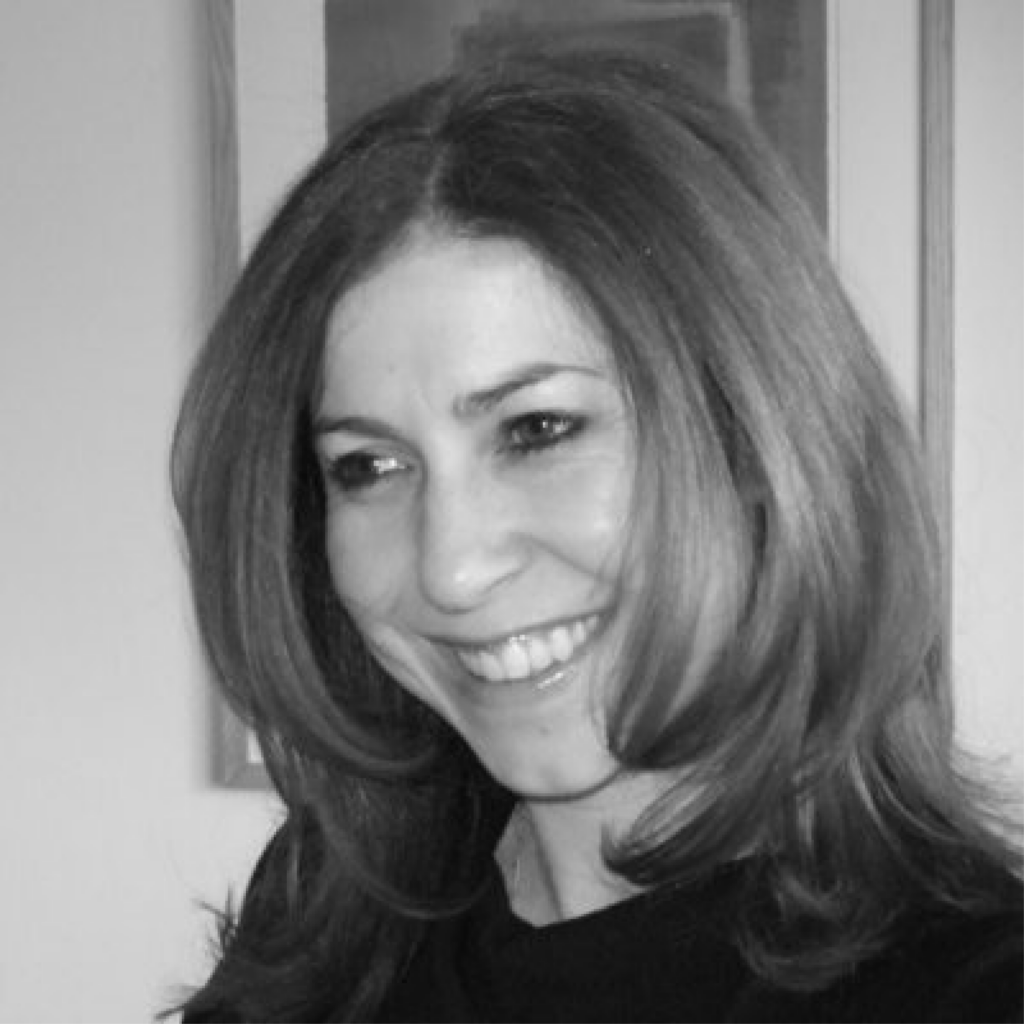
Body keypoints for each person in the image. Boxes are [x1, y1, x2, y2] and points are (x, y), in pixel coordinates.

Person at [171, 47, 1024, 1024]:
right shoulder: (330, 917)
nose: (453, 567)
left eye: (537, 430)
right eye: (368, 466)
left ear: (753, 441)